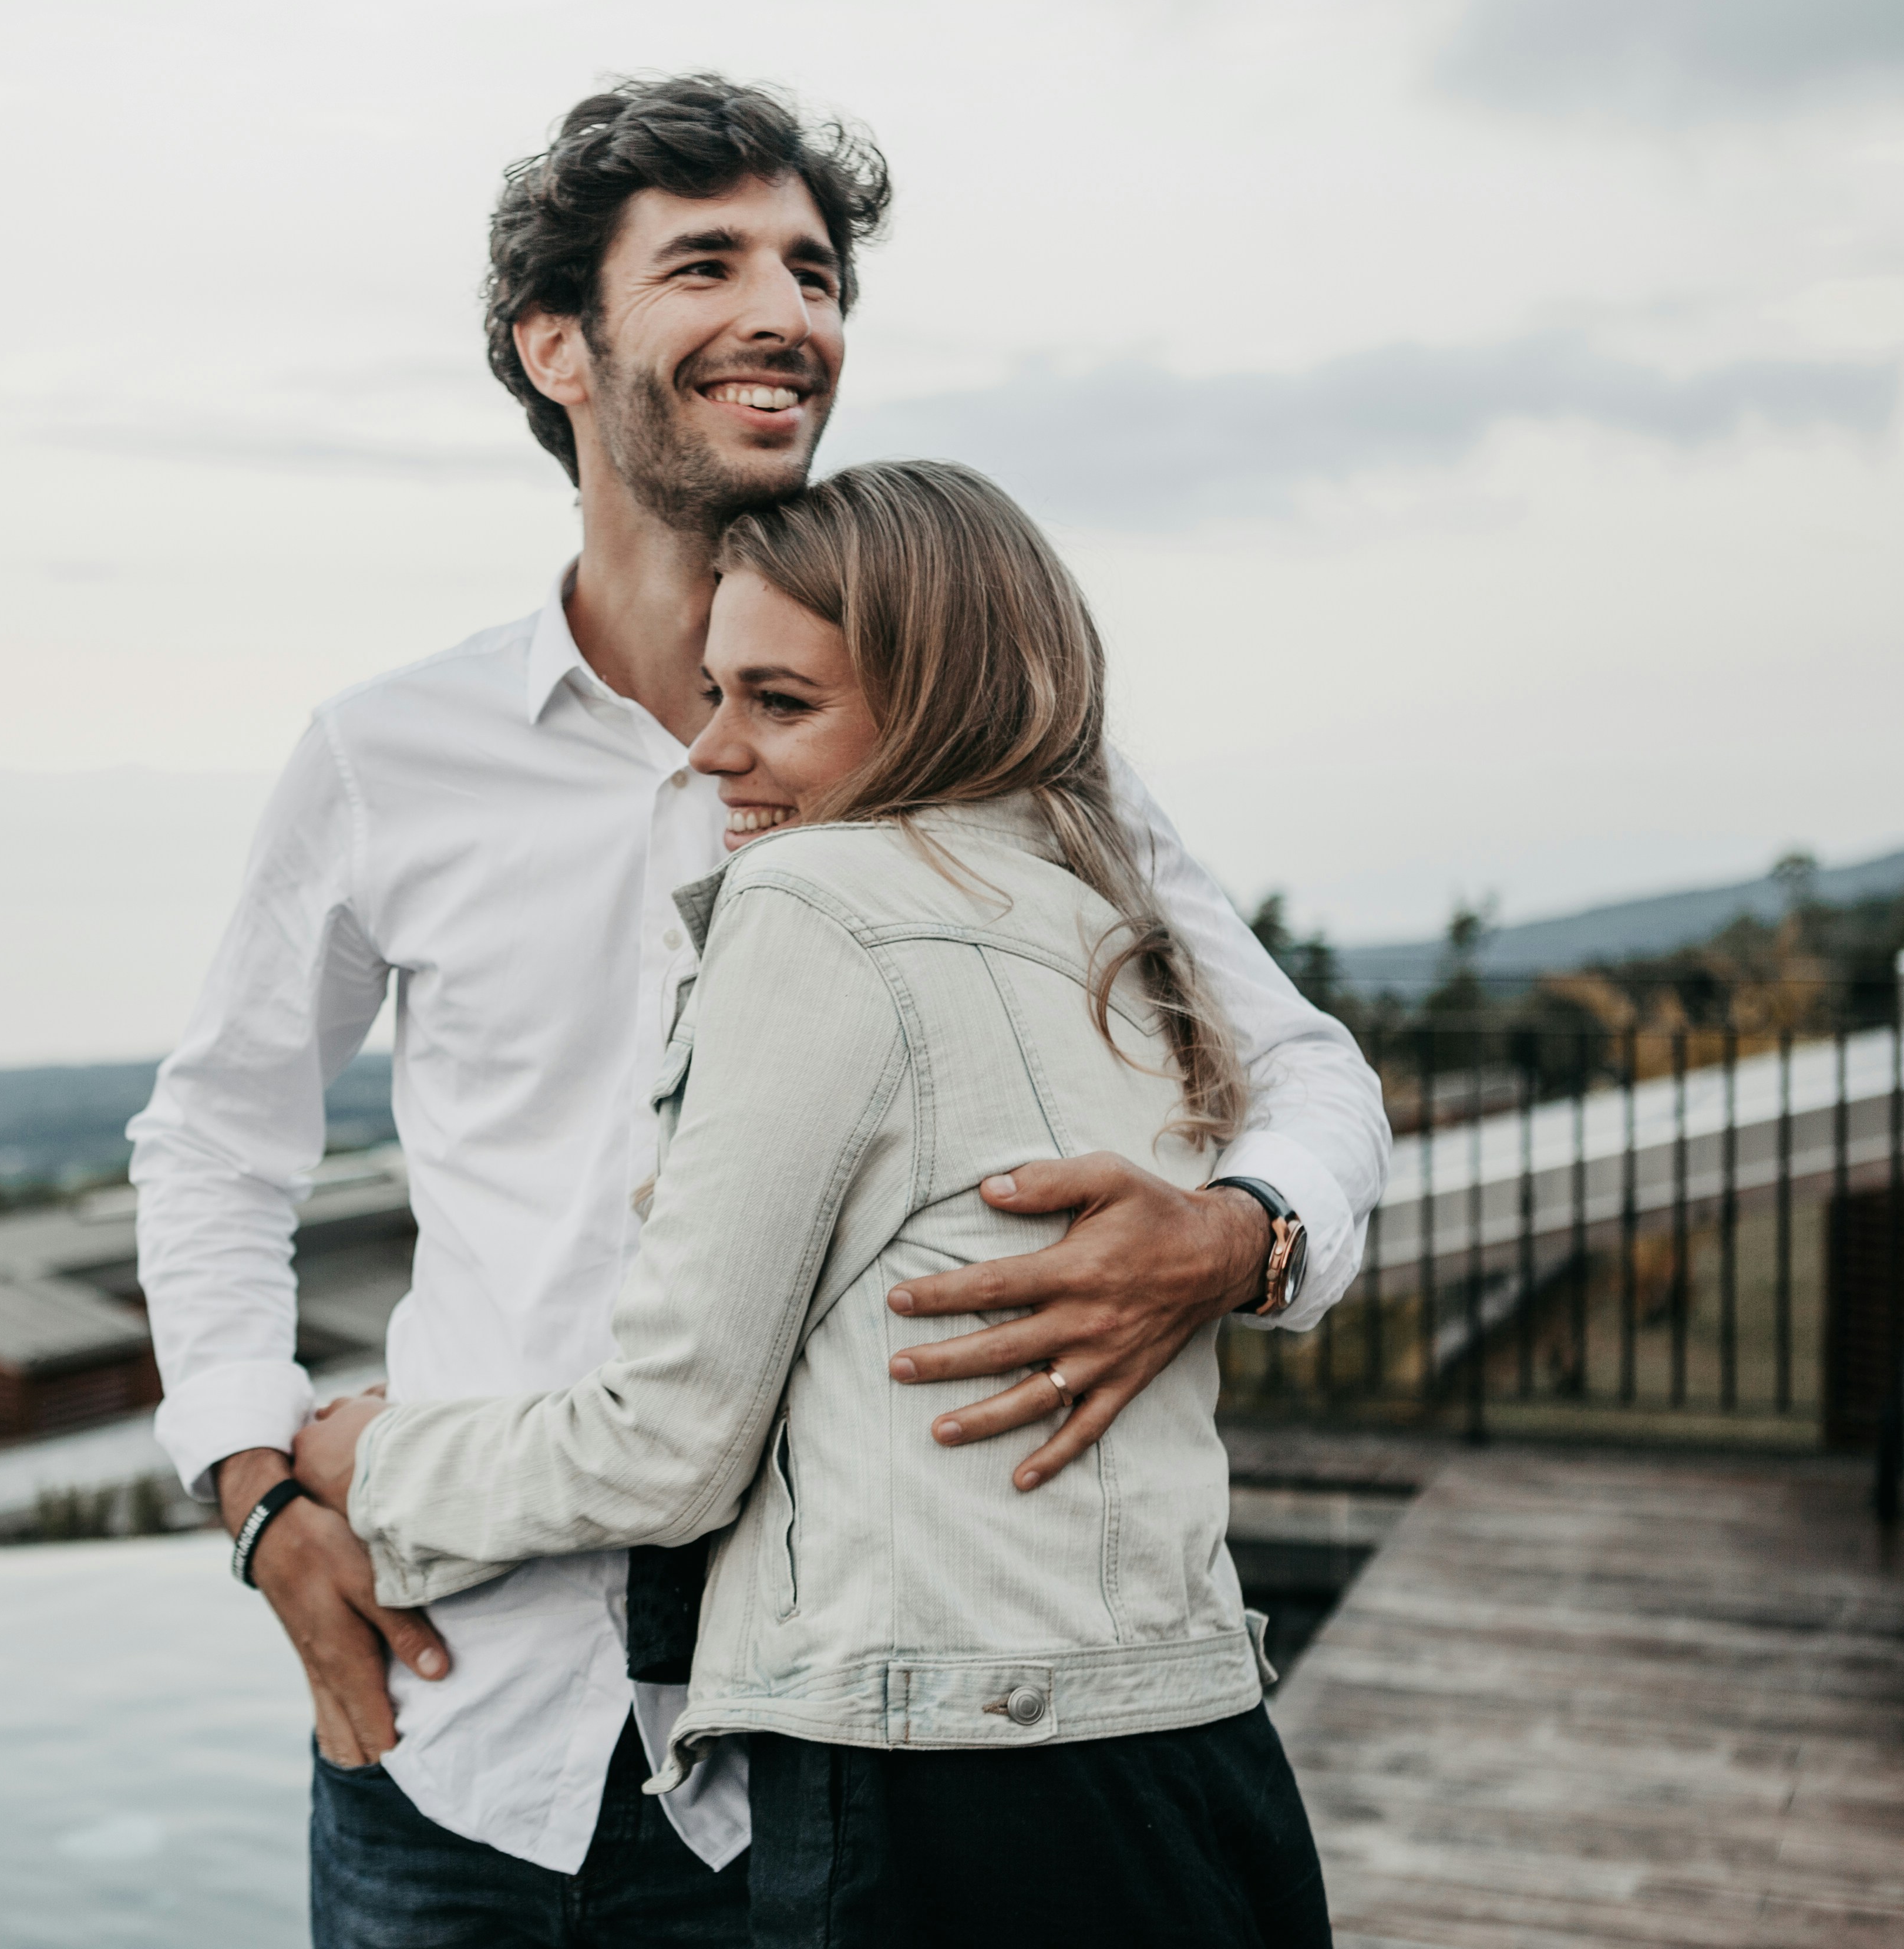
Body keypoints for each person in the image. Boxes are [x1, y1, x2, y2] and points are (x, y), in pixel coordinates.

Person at [129, 76, 1387, 1947]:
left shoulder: (999, 753)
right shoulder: (386, 756)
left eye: (812, 270)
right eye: (707, 263)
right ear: (558, 344)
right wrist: (258, 1496)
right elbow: (217, 1140)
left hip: (811, 1777)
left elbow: (1299, 1062)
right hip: (451, 1725)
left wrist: (1241, 1235)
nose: (787, 311)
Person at [292, 459, 1333, 1944]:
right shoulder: (1109, 920)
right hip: (1198, 1754)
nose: (713, 755)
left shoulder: (810, 905)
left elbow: (667, 1447)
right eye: (718, 694)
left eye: (779, 706)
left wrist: (372, 1463)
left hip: (948, 1797)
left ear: (943, 708)